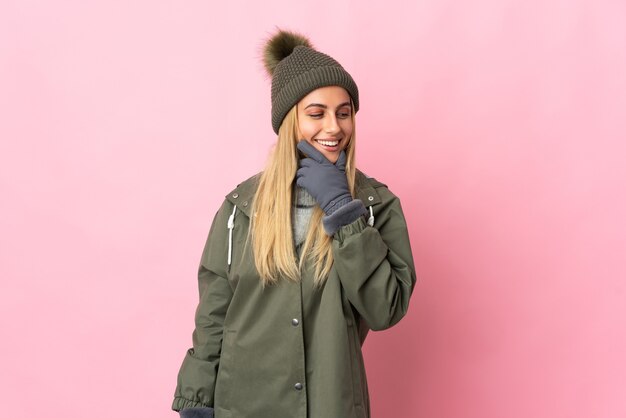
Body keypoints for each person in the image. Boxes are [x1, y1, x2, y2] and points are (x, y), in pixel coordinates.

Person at [172, 28, 417, 418]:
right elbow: (213, 316)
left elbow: (385, 308)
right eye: (316, 114)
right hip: (244, 405)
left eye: (344, 113)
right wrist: (197, 401)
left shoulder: (374, 206)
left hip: (330, 404)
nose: (334, 127)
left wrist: (341, 209)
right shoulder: (241, 209)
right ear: (290, 121)